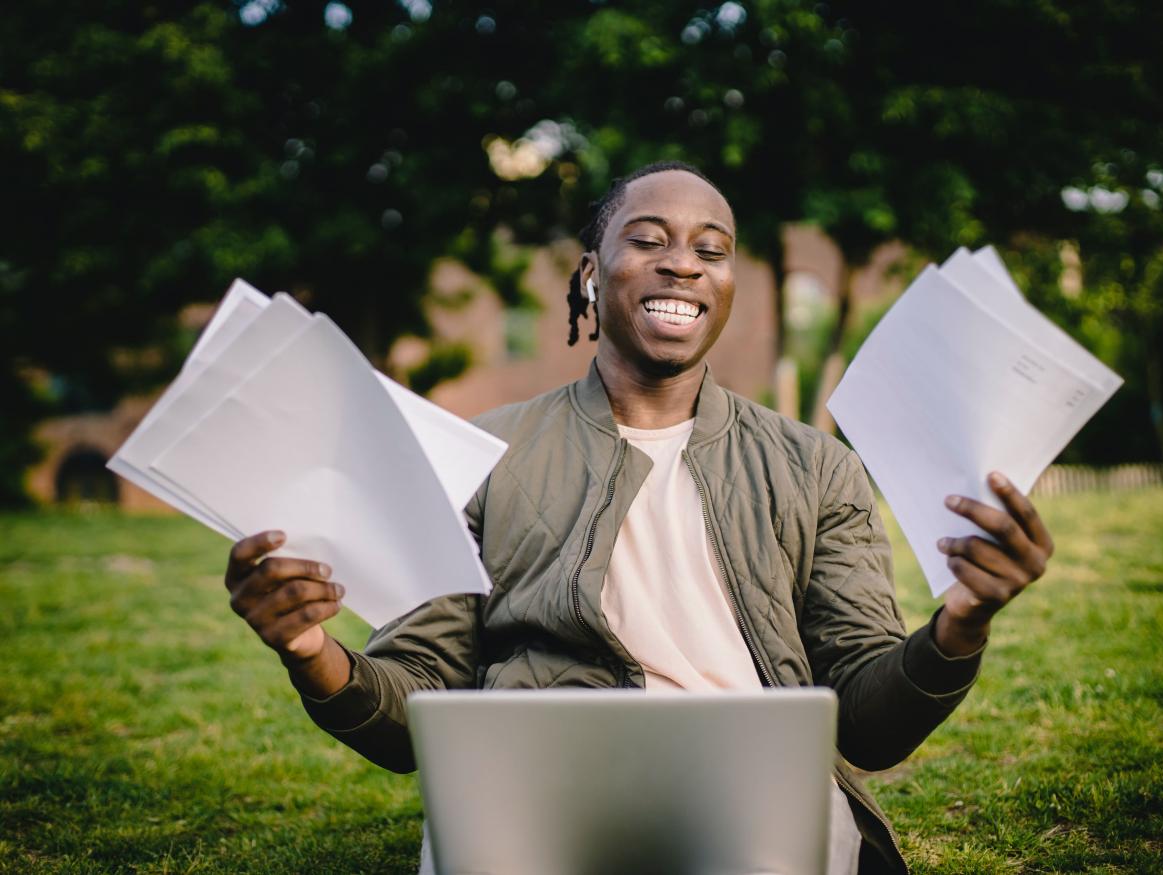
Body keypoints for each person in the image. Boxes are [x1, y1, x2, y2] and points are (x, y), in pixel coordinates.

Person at [223, 162, 1055, 874]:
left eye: (710, 250)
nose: (682, 265)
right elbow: (415, 708)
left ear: (728, 285)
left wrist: (961, 624)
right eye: (649, 239)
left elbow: (870, 721)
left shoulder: (815, 467)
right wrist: (309, 650)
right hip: (533, 793)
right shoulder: (479, 455)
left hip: (756, 804)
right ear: (592, 272)